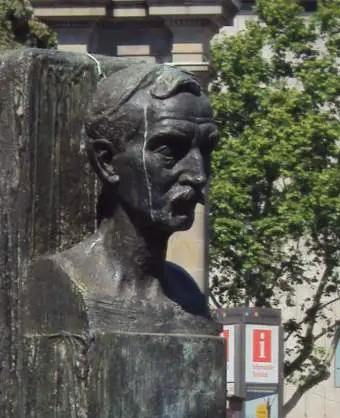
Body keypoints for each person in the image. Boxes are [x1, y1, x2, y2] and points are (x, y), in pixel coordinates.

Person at [26, 63, 219, 336]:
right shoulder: (60, 283)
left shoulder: (188, 295)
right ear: (107, 162)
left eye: (206, 150)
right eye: (169, 151)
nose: (198, 175)